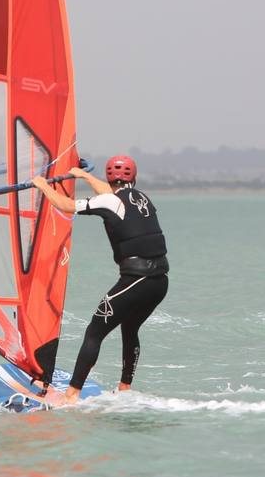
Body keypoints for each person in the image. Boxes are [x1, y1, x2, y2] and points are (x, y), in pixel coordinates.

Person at [32, 155, 168, 402]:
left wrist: (42, 185)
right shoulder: (141, 198)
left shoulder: (110, 200)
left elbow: (66, 205)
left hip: (136, 280)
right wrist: (83, 176)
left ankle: (71, 395)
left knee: (94, 332)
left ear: (108, 176)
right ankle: (125, 388)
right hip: (159, 282)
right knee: (130, 328)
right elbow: (109, 195)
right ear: (133, 178)